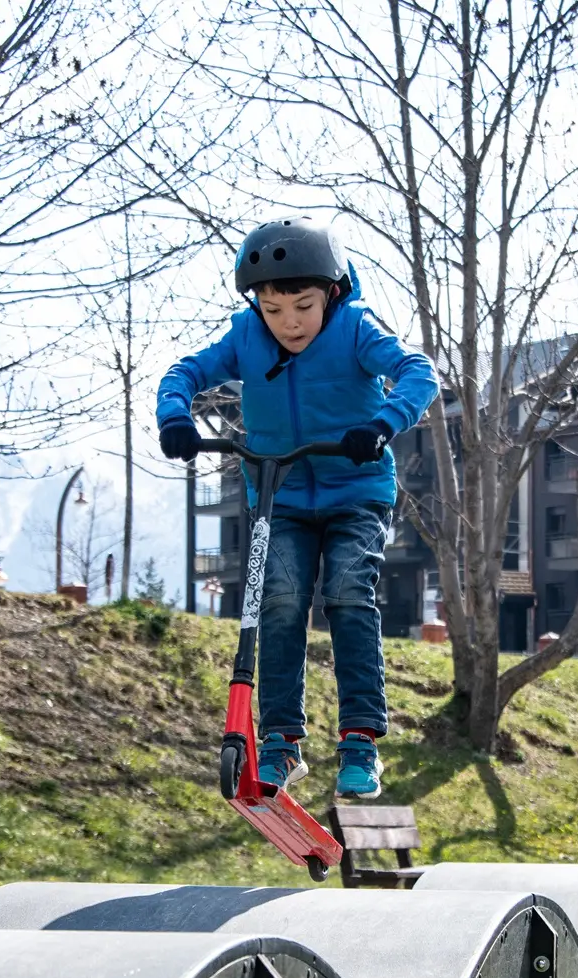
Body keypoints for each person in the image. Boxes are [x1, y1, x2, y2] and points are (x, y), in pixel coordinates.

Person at [157, 217, 439, 799]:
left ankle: (360, 741)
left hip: (355, 490)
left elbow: (418, 373)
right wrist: (176, 418)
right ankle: (281, 743)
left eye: (303, 307)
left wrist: (382, 424)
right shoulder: (245, 337)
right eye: (272, 308)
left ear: (331, 293)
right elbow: (183, 373)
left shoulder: (356, 329)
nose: (288, 323)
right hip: (279, 494)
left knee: (345, 591)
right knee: (279, 601)